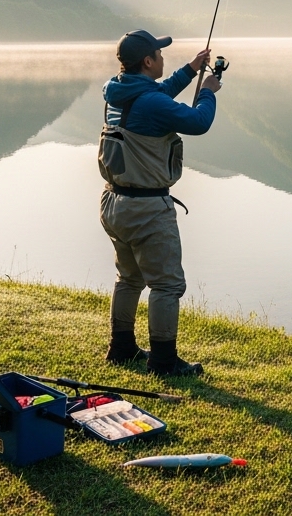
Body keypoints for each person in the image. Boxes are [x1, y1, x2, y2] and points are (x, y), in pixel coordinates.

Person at [97, 30, 221, 376]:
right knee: (166, 284)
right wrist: (208, 92)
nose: (163, 58)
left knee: (129, 278)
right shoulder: (149, 102)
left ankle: (121, 349)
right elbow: (198, 122)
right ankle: (164, 361)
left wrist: (190, 69)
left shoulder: (118, 93)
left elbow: (156, 95)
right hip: (147, 209)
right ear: (148, 61)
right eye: (159, 54)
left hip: (114, 202)